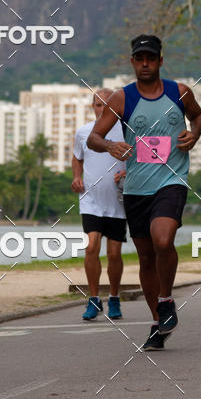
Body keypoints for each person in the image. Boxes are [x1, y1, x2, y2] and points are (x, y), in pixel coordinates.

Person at [88, 34, 201, 351]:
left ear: (160, 61)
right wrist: (111, 144)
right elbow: (93, 139)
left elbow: (198, 116)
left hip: (172, 180)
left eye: (150, 58)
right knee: (146, 257)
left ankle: (166, 301)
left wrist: (193, 135)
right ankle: (158, 321)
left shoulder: (179, 92)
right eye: (139, 58)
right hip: (136, 188)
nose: (145, 63)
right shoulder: (121, 99)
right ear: (132, 62)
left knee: (163, 239)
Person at [72, 89, 127, 321]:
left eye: (107, 105)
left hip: (117, 202)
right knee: (91, 246)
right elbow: (77, 157)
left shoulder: (125, 131)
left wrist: (126, 172)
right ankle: (94, 299)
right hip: (91, 200)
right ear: (92, 107)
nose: (102, 109)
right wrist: (76, 177)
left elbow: (139, 158)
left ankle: (114, 297)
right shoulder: (84, 132)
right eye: (97, 105)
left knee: (114, 254)